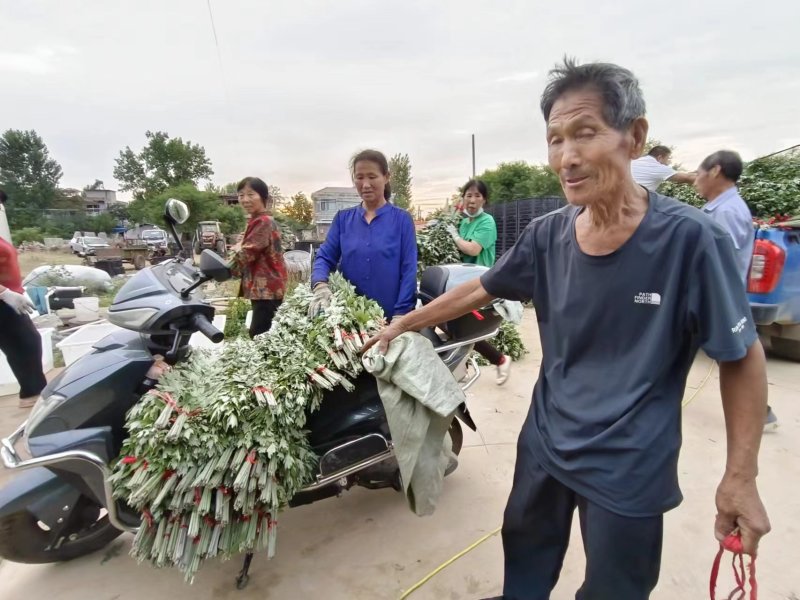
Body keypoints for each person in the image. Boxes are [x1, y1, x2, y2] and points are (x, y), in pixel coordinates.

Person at [365, 59, 771, 599]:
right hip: (546, 440)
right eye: (555, 139)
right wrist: (403, 325)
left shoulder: (691, 241)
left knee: (615, 587)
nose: (567, 157)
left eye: (585, 133)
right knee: (525, 554)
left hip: (628, 460)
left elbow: (741, 356)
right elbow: (482, 286)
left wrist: (740, 475)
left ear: (635, 136)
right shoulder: (547, 234)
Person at [694, 150, 778, 431]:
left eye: (699, 173)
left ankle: (760, 412)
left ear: (715, 171)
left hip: (717, 299)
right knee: (734, 356)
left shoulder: (727, 212)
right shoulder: (723, 208)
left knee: (737, 357)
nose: (695, 180)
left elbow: (716, 260)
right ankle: (761, 411)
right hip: (717, 298)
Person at [309, 149, 417, 321]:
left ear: (386, 177)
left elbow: (409, 269)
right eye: (359, 177)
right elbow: (325, 256)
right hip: (350, 319)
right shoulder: (343, 220)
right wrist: (320, 285)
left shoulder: (402, 220)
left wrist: (401, 314)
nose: (365, 184)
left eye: (372, 177)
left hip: (390, 318)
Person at [445, 179, 511, 385]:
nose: (472, 200)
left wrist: (454, 236)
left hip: (480, 283)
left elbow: (473, 249)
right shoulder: (464, 222)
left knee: (462, 325)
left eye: (477, 196)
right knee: (454, 324)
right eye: (468, 195)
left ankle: (499, 359)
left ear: (484, 199)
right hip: (459, 281)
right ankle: (469, 366)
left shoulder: (487, 222)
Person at [0, 189, 48, 409]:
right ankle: (32, 396)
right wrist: (4, 293)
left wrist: (16, 290)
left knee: (27, 343)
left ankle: (32, 394)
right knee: (25, 344)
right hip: (3, 302)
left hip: (10, 297)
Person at [230, 177, 288, 338]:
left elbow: (246, 253)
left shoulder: (263, 222)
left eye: (250, 194)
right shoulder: (256, 220)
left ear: (263, 197)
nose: (245, 199)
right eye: (241, 195)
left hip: (267, 289)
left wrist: (225, 268)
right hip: (264, 289)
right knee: (264, 332)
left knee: (260, 335)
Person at [631, 145, 696, 191]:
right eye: (667, 159)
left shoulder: (634, 161)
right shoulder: (657, 167)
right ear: (660, 158)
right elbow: (687, 178)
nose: (667, 163)